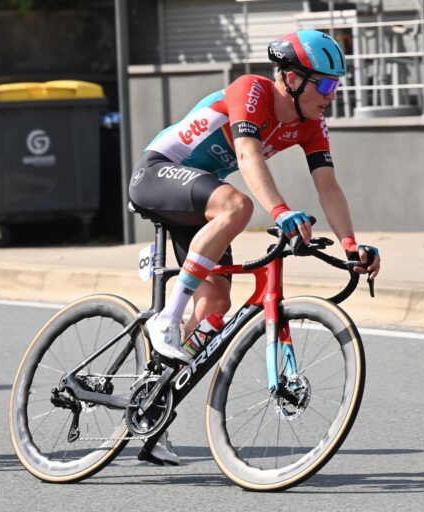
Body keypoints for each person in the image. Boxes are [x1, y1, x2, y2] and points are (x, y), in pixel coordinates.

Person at [128, 30, 381, 465]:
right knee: (237, 205)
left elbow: (329, 187)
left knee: (216, 304)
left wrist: (351, 244)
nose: (331, 96)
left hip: (201, 198)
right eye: (324, 84)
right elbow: (248, 158)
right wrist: (282, 213)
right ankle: (166, 319)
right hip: (158, 173)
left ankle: (153, 402)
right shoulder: (252, 90)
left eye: (335, 85)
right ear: (291, 78)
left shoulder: (311, 124)